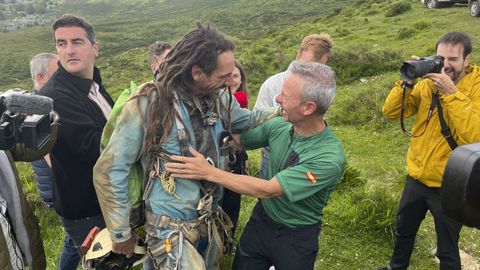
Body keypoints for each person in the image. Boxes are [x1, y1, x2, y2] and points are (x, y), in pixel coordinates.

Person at [93, 24, 281, 270]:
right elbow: (110, 169)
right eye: (222, 76)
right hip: (169, 230)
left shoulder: (219, 97)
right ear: (197, 72)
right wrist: (120, 233)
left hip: (209, 222)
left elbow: (246, 120)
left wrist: (285, 111)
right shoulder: (150, 102)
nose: (229, 84)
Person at [165, 61, 346, 270]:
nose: (277, 98)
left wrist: (208, 172)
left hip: (297, 237)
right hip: (261, 222)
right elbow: (238, 140)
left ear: (308, 107)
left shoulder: (328, 158)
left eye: (285, 95)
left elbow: (268, 189)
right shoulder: (280, 126)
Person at [379, 31, 480, 270]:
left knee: (447, 247)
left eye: (453, 59)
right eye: (440, 57)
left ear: (466, 60)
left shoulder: (476, 88)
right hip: (417, 175)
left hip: (451, 182)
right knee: (404, 230)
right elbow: (392, 112)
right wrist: (409, 81)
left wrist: (452, 94)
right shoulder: (428, 84)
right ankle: (396, 267)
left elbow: (475, 138)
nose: (445, 65)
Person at [40, 14, 114, 266]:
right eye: (61, 43)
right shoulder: (56, 96)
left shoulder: (92, 84)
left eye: (77, 42)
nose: (68, 50)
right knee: (104, 263)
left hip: (100, 197)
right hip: (86, 207)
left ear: (95, 48)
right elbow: (96, 149)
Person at [254, 33, 333, 179]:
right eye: (305, 65)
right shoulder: (272, 84)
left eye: (318, 68)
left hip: (305, 156)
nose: (309, 72)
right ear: (298, 55)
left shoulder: (319, 90)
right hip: (272, 155)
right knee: (266, 196)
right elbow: (256, 120)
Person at [29, 52, 81, 269]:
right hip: (59, 188)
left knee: (76, 238)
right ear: (41, 78)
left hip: (59, 187)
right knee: (75, 241)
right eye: (56, 73)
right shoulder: (37, 112)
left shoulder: (44, 105)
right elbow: (53, 159)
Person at [221, 60, 249, 237]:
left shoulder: (240, 98)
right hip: (227, 154)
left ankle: (225, 238)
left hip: (234, 156)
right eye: (228, 76)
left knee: (230, 197)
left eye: (236, 76)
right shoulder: (235, 98)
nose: (232, 80)